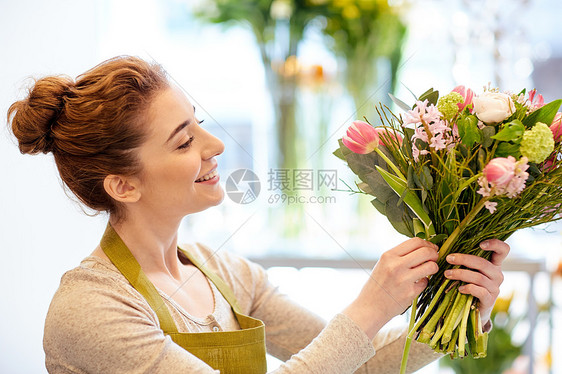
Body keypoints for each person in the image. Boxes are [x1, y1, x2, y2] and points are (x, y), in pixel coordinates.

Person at [7, 56, 509, 373]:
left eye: (199, 124)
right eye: (183, 140)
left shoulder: (223, 272)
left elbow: (359, 364)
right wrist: (372, 305)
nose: (215, 144)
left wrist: (462, 308)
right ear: (123, 184)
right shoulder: (93, 310)